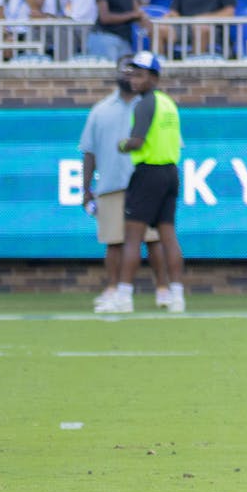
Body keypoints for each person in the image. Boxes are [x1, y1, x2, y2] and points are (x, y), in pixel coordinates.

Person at [95, 51, 186, 314]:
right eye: (132, 74)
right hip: (170, 172)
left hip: (148, 172)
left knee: (132, 237)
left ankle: (123, 295)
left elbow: (137, 141)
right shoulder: (169, 103)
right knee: (168, 235)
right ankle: (176, 295)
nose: (134, 80)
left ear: (154, 77)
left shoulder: (145, 104)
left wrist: (122, 144)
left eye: (140, 75)